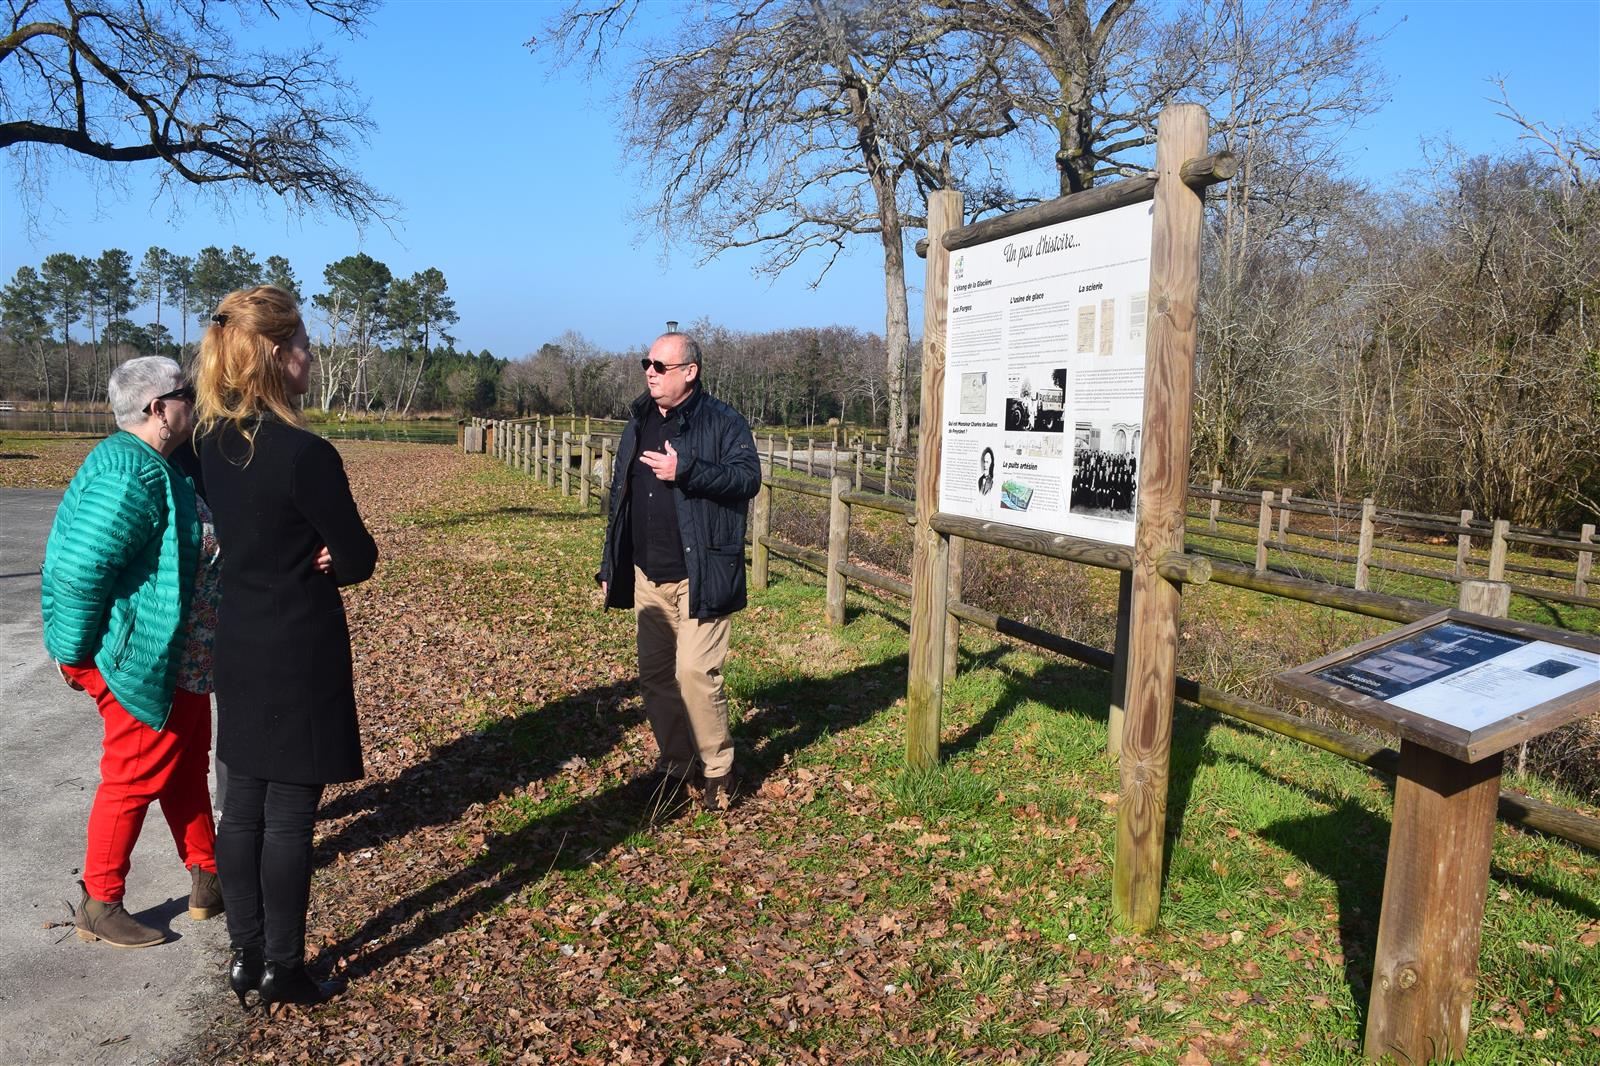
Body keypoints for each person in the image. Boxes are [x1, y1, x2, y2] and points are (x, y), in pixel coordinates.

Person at [194, 286, 377, 1010]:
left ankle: (245, 957)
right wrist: (332, 552)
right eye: (303, 345)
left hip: (239, 639)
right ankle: (284, 967)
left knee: (242, 807)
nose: (310, 357)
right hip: (299, 644)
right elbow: (358, 557)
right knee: (290, 815)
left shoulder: (208, 443)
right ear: (274, 354)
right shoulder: (306, 455)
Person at [41, 356, 223, 948]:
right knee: (132, 779)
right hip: (141, 663)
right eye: (187, 394)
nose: (196, 402)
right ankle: (100, 901)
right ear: (157, 409)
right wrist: (74, 656)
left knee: (185, 768)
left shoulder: (160, 464)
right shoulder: (129, 473)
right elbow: (77, 571)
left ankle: (209, 876)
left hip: (184, 659)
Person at [597, 332, 761, 811]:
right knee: (655, 677)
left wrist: (685, 469)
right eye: (646, 363)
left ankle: (719, 770)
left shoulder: (724, 421)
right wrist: (610, 563)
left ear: (690, 372)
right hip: (647, 574)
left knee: (694, 672)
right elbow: (620, 498)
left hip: (701, 571)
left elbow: (747, 478)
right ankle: (676, 764)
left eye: (660, 366)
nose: (649, 372)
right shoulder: (639, 420)